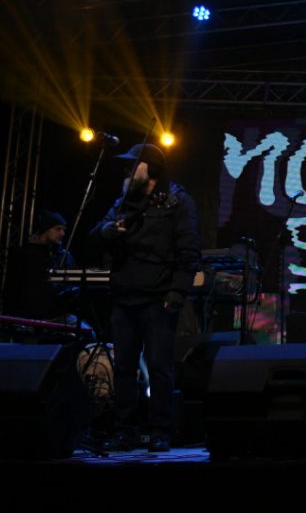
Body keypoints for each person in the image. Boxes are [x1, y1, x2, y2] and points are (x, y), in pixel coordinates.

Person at [91, 143, 200, 452]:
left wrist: (177, 292)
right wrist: (108, 231)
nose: (126, 170)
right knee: (124, 367)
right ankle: (124, 429)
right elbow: (95, 234)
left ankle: (160, 430)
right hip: (124, 296)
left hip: (158, 298)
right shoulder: (123, 202)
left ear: (149, 169)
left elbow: (189, 250)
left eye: (132, 165)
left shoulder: (178, 201)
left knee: (159, 367)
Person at [3, 210, 79, 323]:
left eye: (64, 230)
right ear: (45, 229)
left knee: (88, 331)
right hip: (29, 318)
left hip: (59, 316)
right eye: (58, 229)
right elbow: (12, 289)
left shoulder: (65, 256)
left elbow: (72, 287)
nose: (62, 233)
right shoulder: (24, 254)